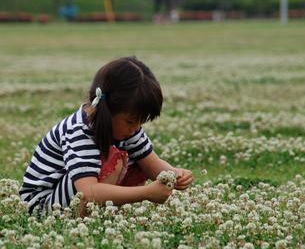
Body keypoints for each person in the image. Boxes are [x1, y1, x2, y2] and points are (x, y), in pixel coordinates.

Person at [19, 56, 193, 215]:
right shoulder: (79, 130)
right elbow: (87, 192)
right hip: (43, 207)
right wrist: (146, 193)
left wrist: (174, 174)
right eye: (131, 121)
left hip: (70, 196)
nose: (136, 128)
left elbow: (151, 164)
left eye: (141, 122)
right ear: (108, 110)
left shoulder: (127, 129)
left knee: (136, 162)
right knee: (114, 160)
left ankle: (100, 214)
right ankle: (87, 217)